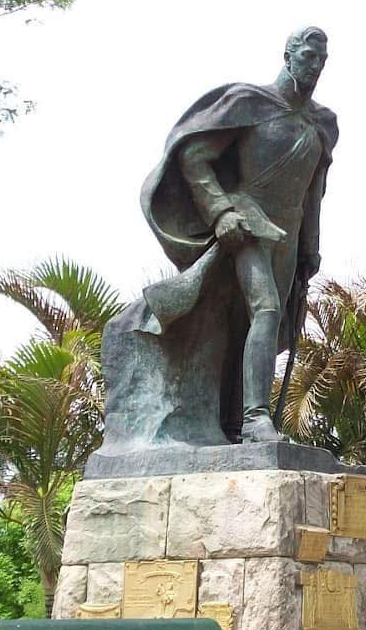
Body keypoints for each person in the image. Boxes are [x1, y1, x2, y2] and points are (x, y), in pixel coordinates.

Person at [97, 26, 336, 457]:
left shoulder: (323, 123)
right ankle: (255, 418)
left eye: (323, 58)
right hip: (248, 219)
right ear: (288, 55)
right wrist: (222, 211)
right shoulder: (250, 102)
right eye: (308, 55)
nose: (315, 65)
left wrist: (310, 247)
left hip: (289, 231)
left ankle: (231, 419)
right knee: (264, 309)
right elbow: (193, 156)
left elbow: (313, 189)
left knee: (263, 322)